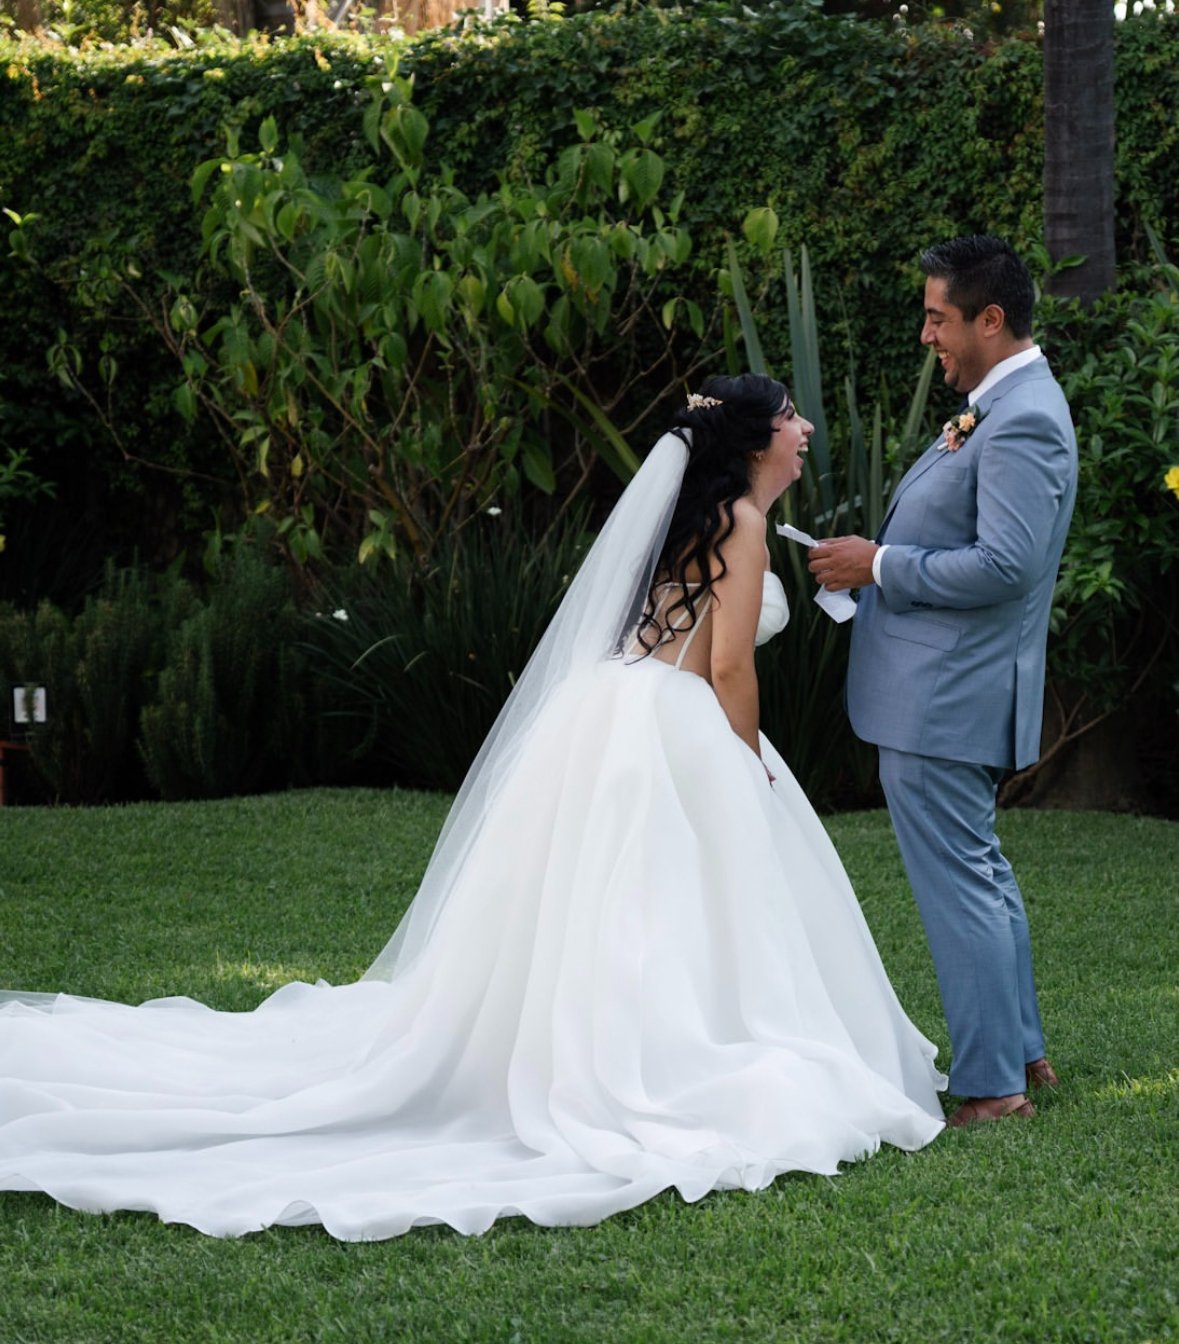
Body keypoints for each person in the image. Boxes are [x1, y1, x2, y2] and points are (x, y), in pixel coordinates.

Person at [0, 374, 944, 1242]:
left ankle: (564, 1046)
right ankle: (653, 1064)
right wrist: (749, 765)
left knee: (613, 905)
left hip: (614, 708)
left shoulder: (698, 516)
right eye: (788, 416)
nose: (805, 426)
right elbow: (728, 664)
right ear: (753, 441)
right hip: (681, 724)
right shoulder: (736, 520)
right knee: (664, 905)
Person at [807, 237, 1078, 1127]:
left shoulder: (1025, 415)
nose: (926, 334)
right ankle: (1019, 1051)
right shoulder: (994, 404)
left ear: (989, 320)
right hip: (942, 692)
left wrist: (879, 564)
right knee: (981, 875)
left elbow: (1004, 564)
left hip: (946, 695)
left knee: (960, 883)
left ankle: (992, 1086)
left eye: (938, 317)